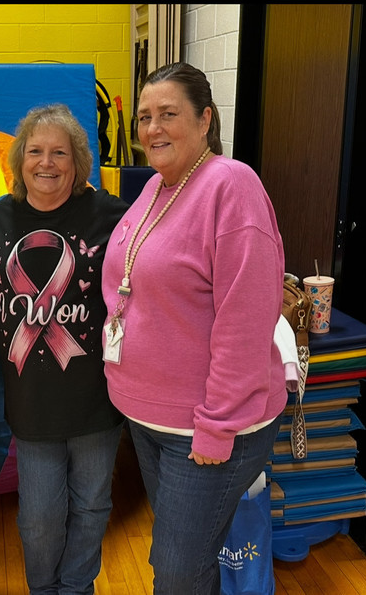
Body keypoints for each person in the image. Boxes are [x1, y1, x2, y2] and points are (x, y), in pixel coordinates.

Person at [100, 62, 287, 594]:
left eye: (168, 114)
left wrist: (219, 422)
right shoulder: (160, 187)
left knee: (179, 571)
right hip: (151, 419)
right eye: (143, 117)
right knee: (189, 556)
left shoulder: (230, 184)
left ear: (205, 119)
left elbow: (245, 320)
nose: (152, 128)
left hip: (203, 427)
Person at [0, 103, 129, 595]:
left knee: (92, 505)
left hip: (98, 398)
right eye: (36, 151)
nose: (47, 163)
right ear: (20, 160)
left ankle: (77, 588)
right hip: (33, 403)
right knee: (40, 518)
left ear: (78, 162)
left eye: (59, 152)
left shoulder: (111, 214)